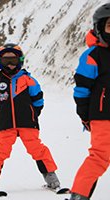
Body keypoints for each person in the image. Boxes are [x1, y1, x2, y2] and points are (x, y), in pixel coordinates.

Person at [0, 43, 60, 191]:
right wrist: (1, 115)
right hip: (6, 125)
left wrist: (32, 113)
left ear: (20, 61)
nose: (10, 64)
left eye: (14, 60)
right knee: (0, 151)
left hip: (27, 123)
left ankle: (51, 176)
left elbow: (38, 100)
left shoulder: (29, 81)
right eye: (6, 61)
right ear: (0, 62)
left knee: (37, 149)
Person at [70, 4, 110, 200]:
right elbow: (81, 90)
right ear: (99, 29)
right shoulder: (92, 56)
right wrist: (85, 115)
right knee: (99, 157)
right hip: (104, 116)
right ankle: (79, 195)